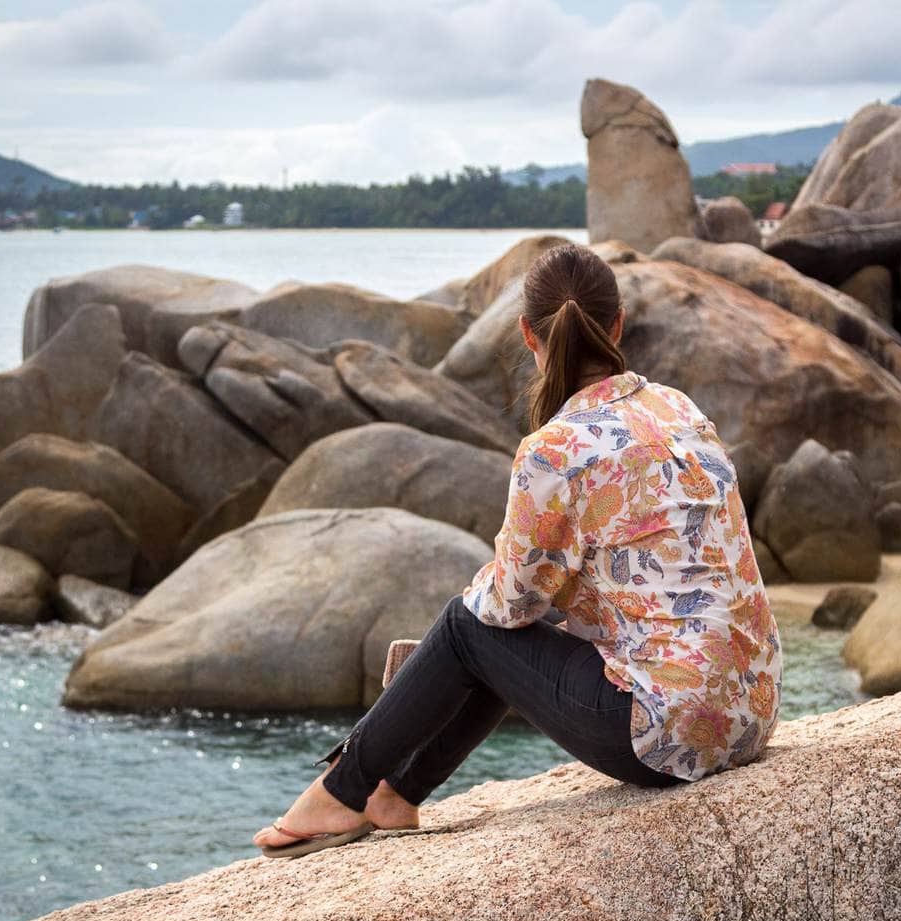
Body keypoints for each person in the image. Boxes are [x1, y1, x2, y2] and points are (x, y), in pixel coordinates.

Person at [253, 242, 782, 858]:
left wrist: (436, 658)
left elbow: (509, 607)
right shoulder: (679, 409)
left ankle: (340, 792)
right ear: (617, 324)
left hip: (672, 735)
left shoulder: (554, 450)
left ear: (529, 335)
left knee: (464, 625)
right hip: (753, 708)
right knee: (480, 631)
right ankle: (394, 794)